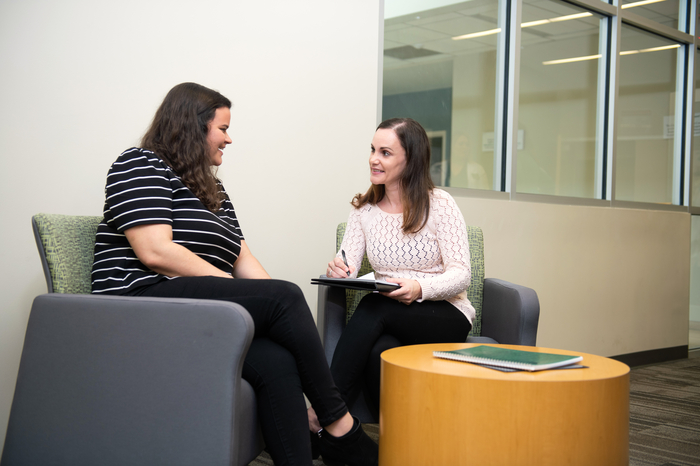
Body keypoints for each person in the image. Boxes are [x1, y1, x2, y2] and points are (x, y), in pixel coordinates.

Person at [91, 82, 377, 466]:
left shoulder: (214, 190)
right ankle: (338, 423)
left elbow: (242, 256)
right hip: (139, 305)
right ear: (192, 126)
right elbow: (155, 251)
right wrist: (244, 293)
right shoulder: (140, 163)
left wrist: (266, 301)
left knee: (278, 358)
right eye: (222, 128)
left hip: (189, 310)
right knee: (285, 296)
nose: (229, 138)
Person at [309, 118, 474, 427]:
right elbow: (348, 263)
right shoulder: (364, 209)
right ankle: (391, 438)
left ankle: (324, 413)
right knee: (380, 353)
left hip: (445, 313)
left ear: (409, 159)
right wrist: (339, 270)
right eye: (373, 150)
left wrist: (418, 288)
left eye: (385, 152)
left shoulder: (440, 204)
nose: (374, 159)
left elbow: (462, 275)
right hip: (392, 314)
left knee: (373, 304)